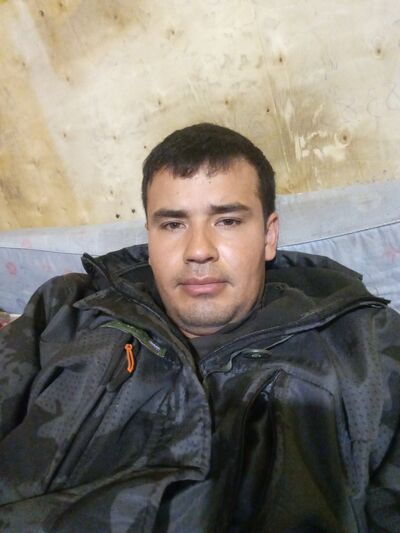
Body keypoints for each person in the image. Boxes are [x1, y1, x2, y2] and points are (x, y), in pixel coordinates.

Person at [0, 123, 399, 532]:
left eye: (227, 221)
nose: (198, 251)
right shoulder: (68, 308)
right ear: (150, 239)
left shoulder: (363, 343)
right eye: (173, 225)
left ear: (268, 236)